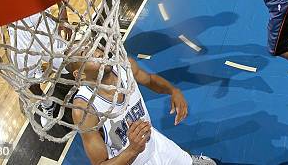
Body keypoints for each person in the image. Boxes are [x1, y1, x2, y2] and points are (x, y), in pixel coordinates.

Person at [71, 46, 216, 165]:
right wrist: (133, 149)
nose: (96, 52)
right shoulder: (84, 108)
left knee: (186, 161)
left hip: (155, 142)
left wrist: (173, 90)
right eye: (85, 53)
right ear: (79, 75)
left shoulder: (124, 66)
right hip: (130, 160)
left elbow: (150, 80)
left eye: (93, 46)